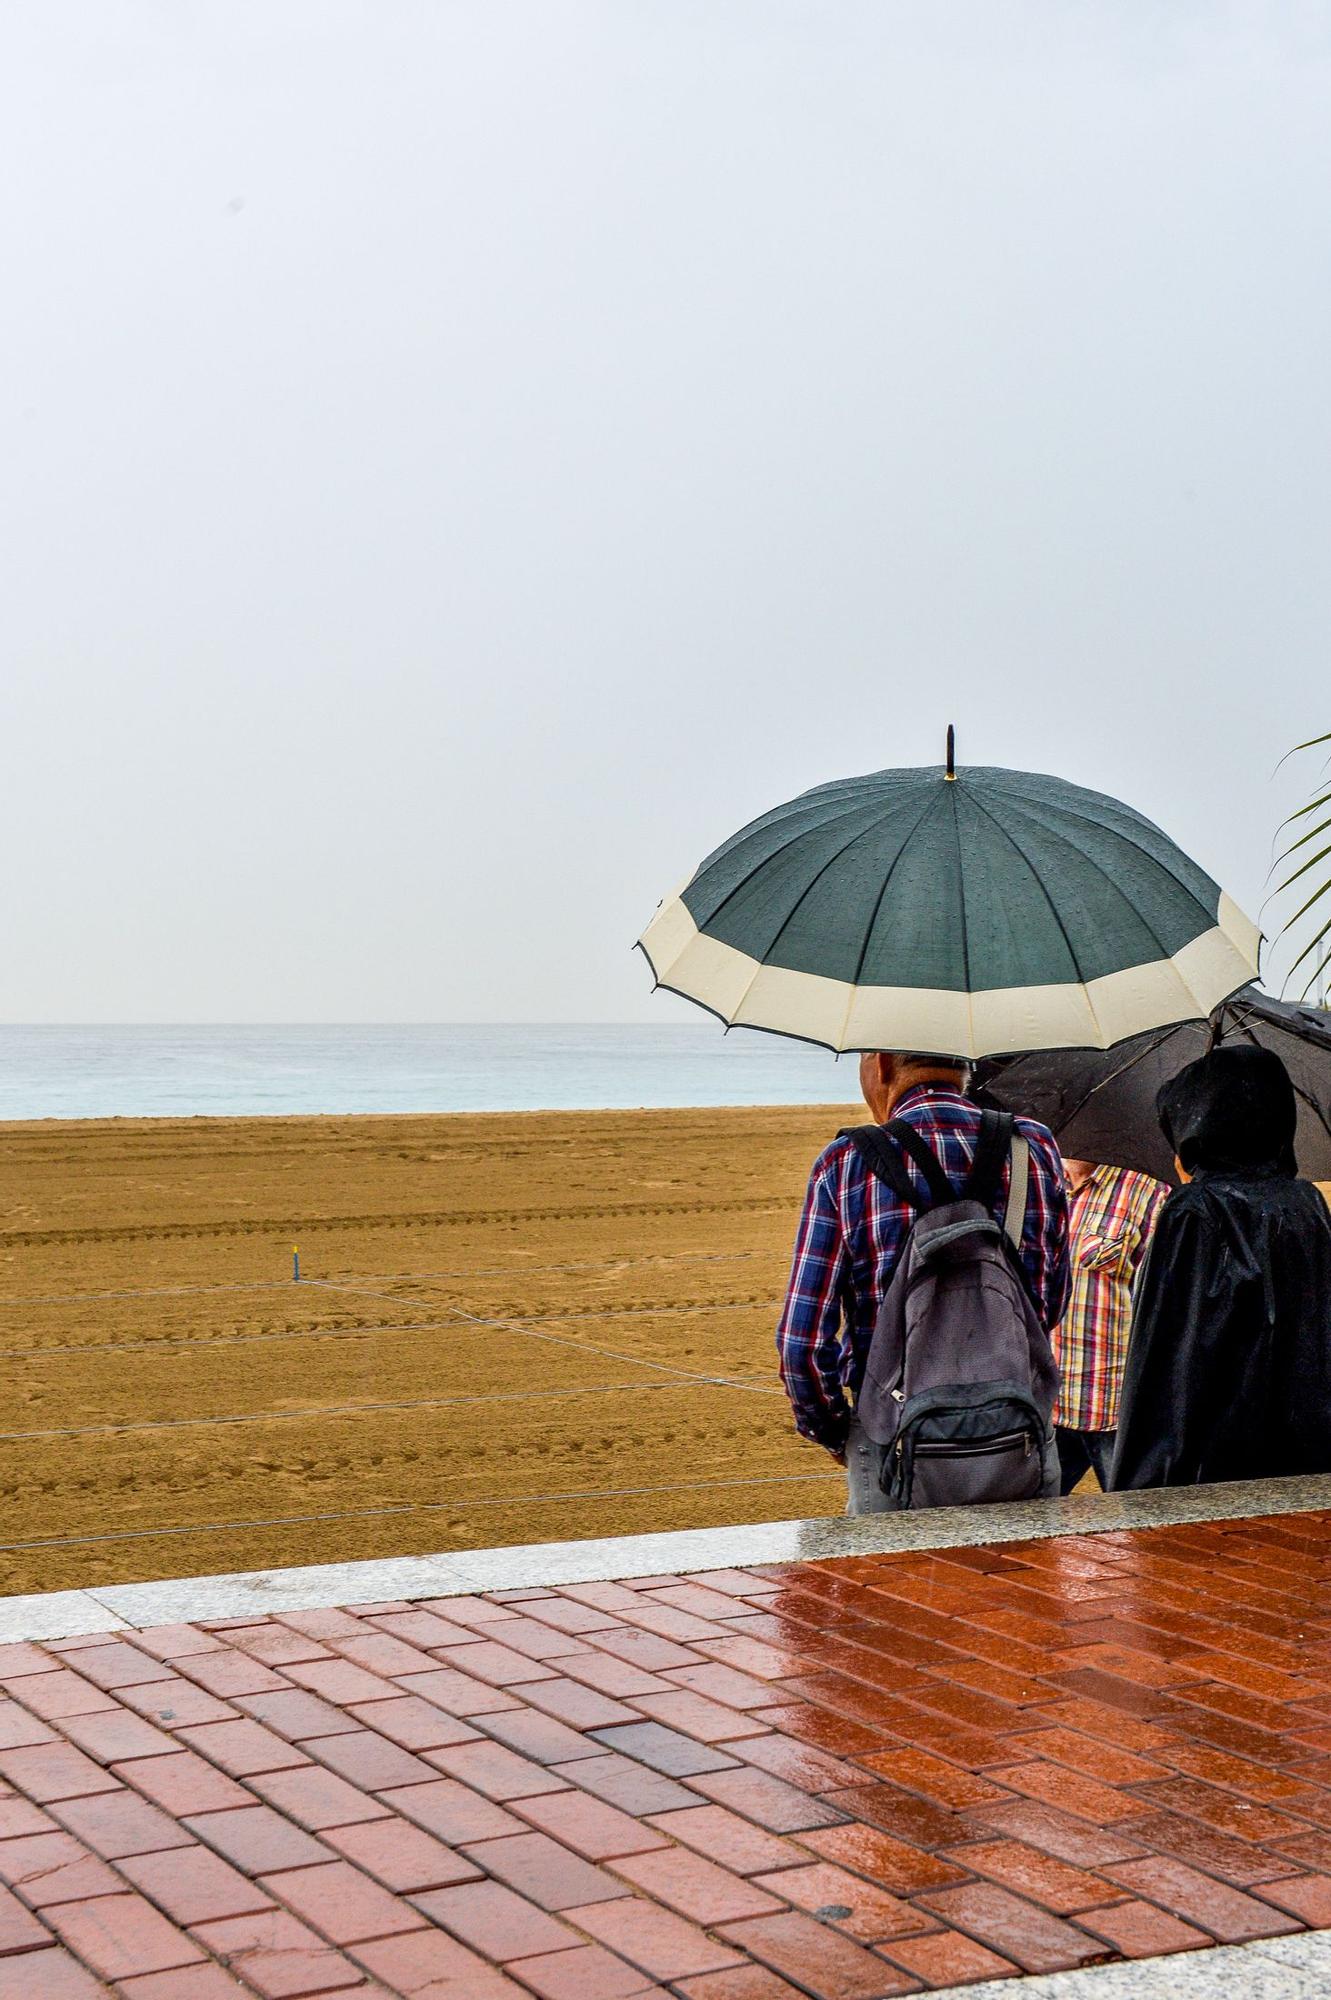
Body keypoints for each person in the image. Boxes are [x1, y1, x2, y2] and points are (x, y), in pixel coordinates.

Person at [776, 1049, 1070, 1511]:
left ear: (882, 1063)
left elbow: (802, 1343)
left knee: (895, 1582)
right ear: (966, 1066)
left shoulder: (846, 1162)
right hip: (1018, 1432)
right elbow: (1049, 1303)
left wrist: (836, 1432)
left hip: (890, 1440)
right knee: (1018, 1579)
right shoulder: (1032, 1145)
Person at [1111, 1044, 1331, 1489]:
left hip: (1214, 1465)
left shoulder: (1195, 1211)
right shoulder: (1306, 1202)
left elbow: (1170, 1358)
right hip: (1306, 1454)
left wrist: (1145, 1484)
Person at [1053, 1157, 1167, 1494]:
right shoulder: (1038, 1183)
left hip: (1115, 1405)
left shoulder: (1148, 1192)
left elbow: (1162, 1302)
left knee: (1141, 1529)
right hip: (1048, 1403)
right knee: (1023, 1529)